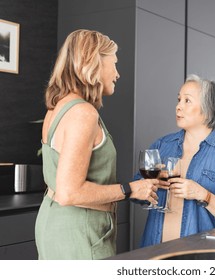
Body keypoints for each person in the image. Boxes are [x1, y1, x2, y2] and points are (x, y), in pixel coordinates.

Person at [35, 29, 159, 260]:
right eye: (114, 64)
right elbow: (69, 192)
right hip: (79, 231)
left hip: (55, 223)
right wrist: (130, 189)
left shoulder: (57, 108)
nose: (117, 74)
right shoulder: (83, 113)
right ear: (94, 64)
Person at [137, 74, 215, 247]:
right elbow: (136, 191)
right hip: (154, 250)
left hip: (200, 257)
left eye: (187, 101)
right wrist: (150, 185)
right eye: (179, 99)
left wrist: (202, 194)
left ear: (207, 109)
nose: (178, 107)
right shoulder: (161, 145)